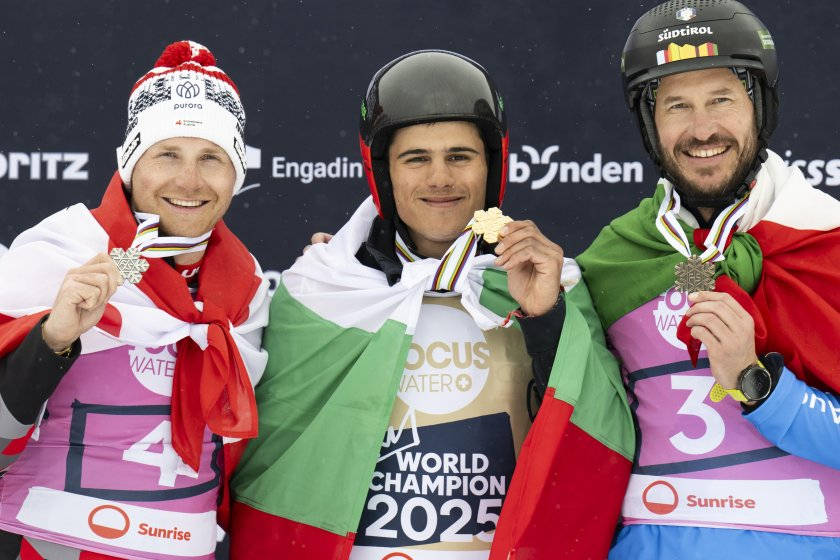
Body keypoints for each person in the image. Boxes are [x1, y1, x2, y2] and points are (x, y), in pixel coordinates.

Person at [230, 50, 634, 560]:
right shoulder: (325, 290)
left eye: (460, 157)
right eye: (416, 158)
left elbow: (598, 439)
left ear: (491, 167)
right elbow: (274, 461)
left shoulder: (552, 283)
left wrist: (546, 319)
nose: (440, 178)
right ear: (384, 173)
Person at [576, 1, 840, 558]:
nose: (701, 130)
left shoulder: (825, 241)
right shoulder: (615, 260)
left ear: (759, 106)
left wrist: (756, 381)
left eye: (721, 99)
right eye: (677, 106)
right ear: (650, 124)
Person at [0, 41, 269, 559]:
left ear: (235, 173)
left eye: (211, 158)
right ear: (130, 163)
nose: (189, 181)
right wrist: (51, 340)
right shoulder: (62, 255)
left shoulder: (248, 289)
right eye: (167, 154)